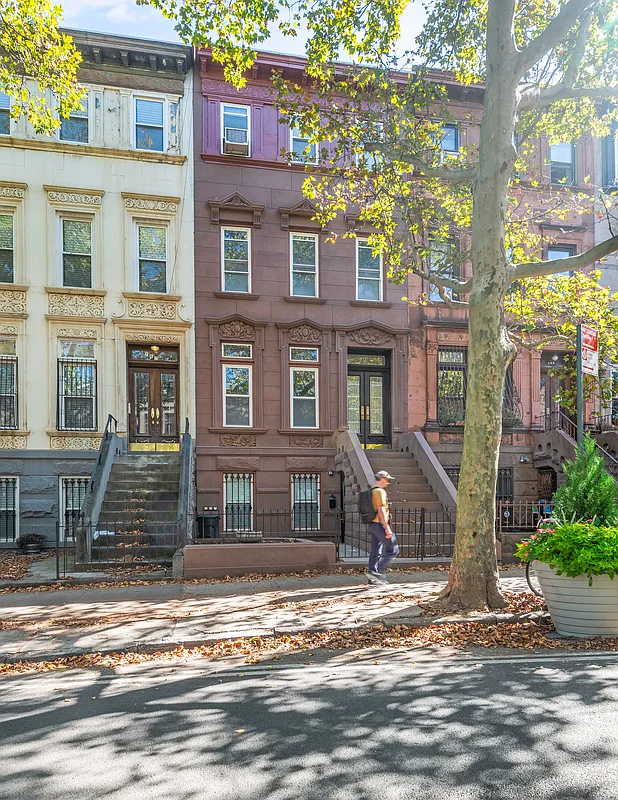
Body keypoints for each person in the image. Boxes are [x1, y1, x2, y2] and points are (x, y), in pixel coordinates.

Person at [366, 470, 399, 585]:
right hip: (379, 525)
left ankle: (372, 577)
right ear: (382, 479)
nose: (388, 482)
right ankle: (375, 574)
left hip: (372, 525)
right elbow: (381, 510)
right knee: (393, 549)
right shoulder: (380, 492)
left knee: (375, 551)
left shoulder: (372, 491)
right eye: (387, 480)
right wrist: (387, 527)